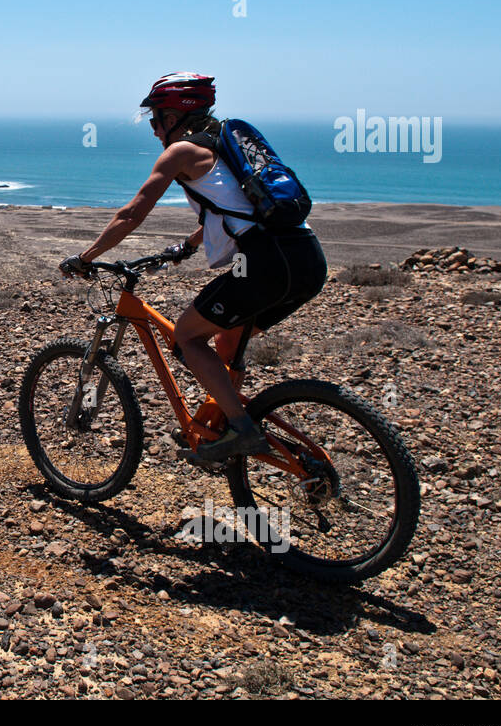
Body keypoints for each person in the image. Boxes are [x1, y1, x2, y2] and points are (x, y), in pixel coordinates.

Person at [60, 73, 327, 463]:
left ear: (174, 117)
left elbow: (132, 213)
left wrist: (86, 257)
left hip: (266, 264)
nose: (154, 131)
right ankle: (222, 422)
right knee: (226, 340)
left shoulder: (180, 153)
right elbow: (235, 207)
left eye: (156, 120)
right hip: (306, 258)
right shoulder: (227, 145)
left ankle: (242, 430)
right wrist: (186, 246)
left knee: (187, 336)